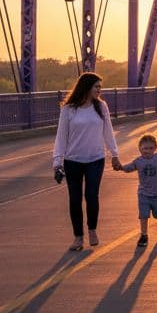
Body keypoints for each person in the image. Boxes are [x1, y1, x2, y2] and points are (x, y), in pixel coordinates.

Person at [51, 72, 120, 251]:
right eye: (96, 87)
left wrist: (114, 154)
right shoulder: (69, 109)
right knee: (75, 199)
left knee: (91, 196)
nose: (99, 90)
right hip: (72, 160)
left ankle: (92, 230)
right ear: (86, 87)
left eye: (100, 87)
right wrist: (57, 162)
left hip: (96, 159)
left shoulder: (101, 106)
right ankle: (78, 237)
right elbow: (61, 136)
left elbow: (108, 131)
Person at [118, 133, 157, 247]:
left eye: (151, 148)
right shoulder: (138, 161)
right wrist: (120, 167)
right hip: (143, 194)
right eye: (145, 148)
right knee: (143, 215)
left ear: (155, 148)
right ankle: (144, 235)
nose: (147, 151)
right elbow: (128, 168)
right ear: (140, 148)